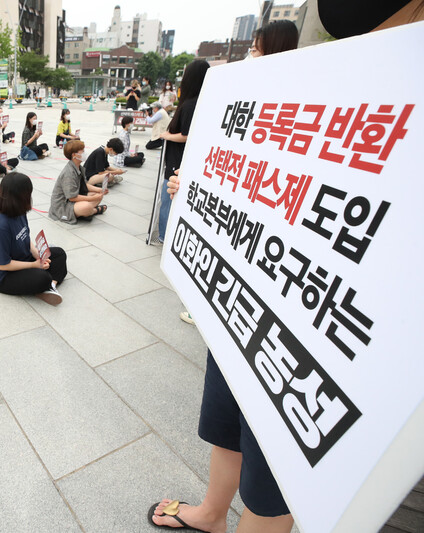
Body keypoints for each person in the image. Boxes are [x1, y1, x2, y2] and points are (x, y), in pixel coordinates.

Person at [149, 24, 300, 532]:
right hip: (237, 303)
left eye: (257, 50)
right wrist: (195, 189)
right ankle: (213, 514)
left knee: (275, 473)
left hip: (294, 321)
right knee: (227, 423)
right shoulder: (252, 107)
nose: (249, 59)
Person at [0, 172, 67, 305]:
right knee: (42, 277)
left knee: (59, 254)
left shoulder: (19, 211)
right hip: (1, 275)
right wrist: (34, 265)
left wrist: (38, 254)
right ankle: (46, 284)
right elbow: (3, 265)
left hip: (21, 257)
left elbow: (26, 239)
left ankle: (50, 287)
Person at [156, 59, 210, 243]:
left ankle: (165, 236)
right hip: (181, 160)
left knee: (167, 200)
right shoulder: (200, 102)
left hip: (177, 162)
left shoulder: (190, 105)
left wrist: (167, 136)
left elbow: (188, 135)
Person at [49, 140, 108, 224]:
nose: (84, 153)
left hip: (73, 200)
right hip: (63, 206)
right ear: (74, 155)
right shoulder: (68, 173)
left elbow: (84, 185)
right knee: (87, 206)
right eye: (82, 151)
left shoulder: (79, 167)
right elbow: (72, 197)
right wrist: (93, 198)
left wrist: (100, 190)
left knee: (98, 195)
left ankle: (86, 212)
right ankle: (94, 210)